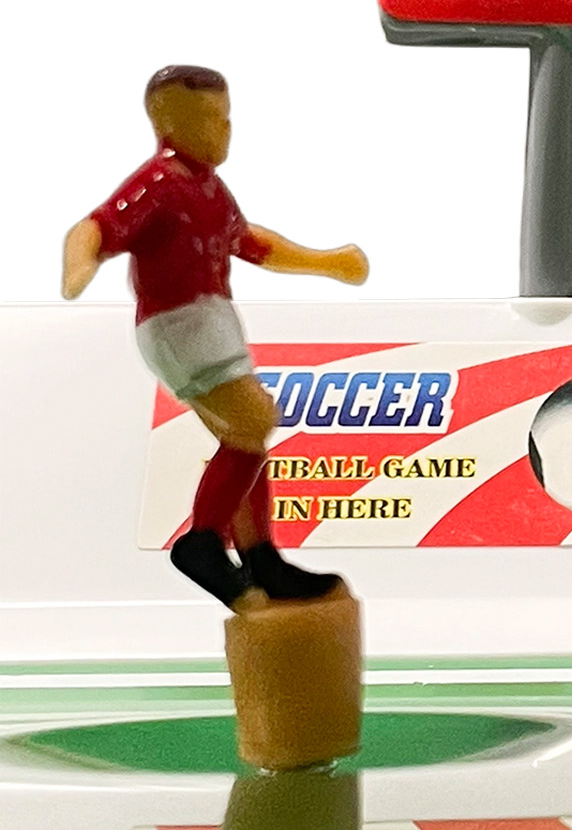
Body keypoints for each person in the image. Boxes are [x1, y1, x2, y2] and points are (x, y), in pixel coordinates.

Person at [62, 65, 369, 607]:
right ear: (168, 123)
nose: (224, 130)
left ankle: (260, 558)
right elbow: (94, 227)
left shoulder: (210, 188)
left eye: (226, 117)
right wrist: (79, 266)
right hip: (179, 324)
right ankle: (201, 543)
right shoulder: (159, 183)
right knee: (254, 420)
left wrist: (326, 262)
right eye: (209, 119)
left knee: (243, 440)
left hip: (208, 323)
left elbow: (249, 242)